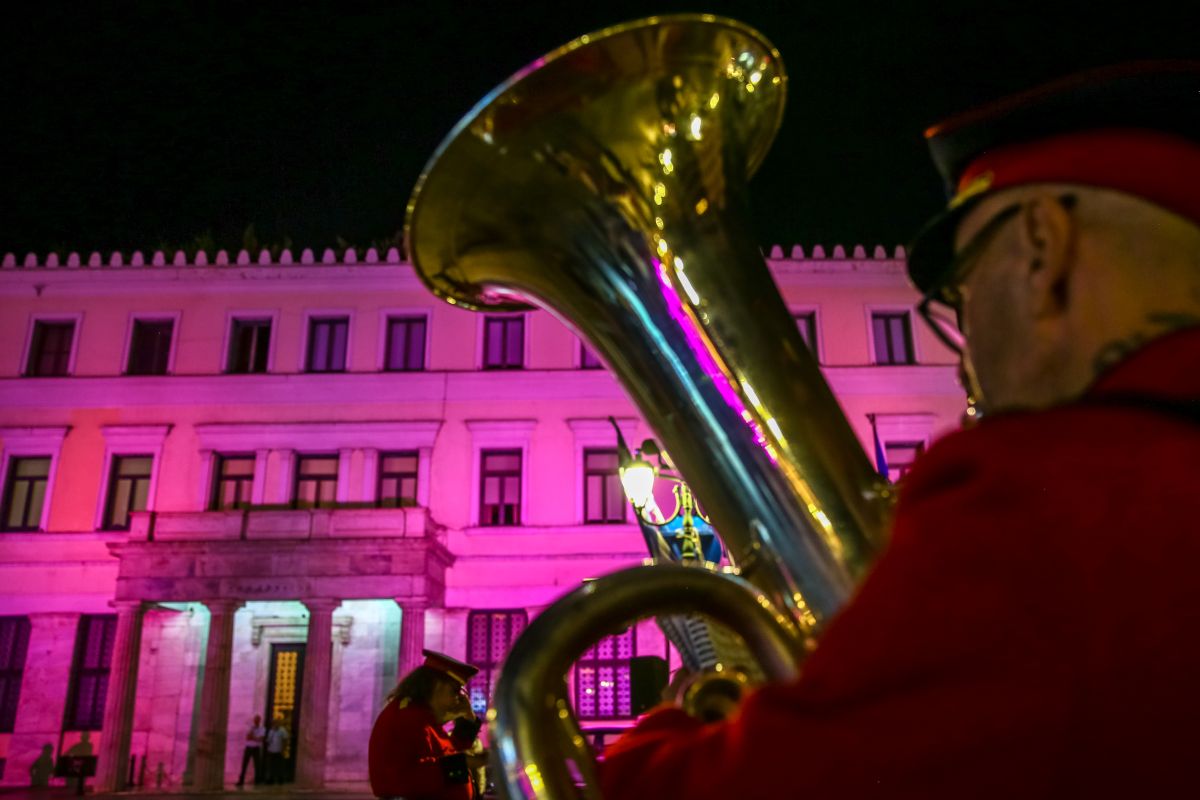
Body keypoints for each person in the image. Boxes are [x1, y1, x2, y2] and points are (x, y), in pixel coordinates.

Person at [599, 61, 1200, 799]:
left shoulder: (1038, 500)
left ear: (1044, 249)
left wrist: (666, 730)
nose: (966, 344)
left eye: (965, 285)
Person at [368, 649, 488, 800]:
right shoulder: (407, 717)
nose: (460, 697)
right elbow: (415, 776)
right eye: (456, 690)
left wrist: (468, 717)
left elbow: (451, 748)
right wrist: (464, 763)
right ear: (435, 685)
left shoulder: (423, 716)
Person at [235, 713, 265, 787]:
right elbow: (248, 737)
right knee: (244, 764)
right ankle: (241, 780)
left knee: (257, 765)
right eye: (255, 720)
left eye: (258, 720)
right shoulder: (250, 727)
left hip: (256, 748)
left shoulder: (262, 728)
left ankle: (257, 780)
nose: (256, 721)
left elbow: (260, 739)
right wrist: (255, 736)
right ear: (254, 720)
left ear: (260, 720)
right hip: (248, 747)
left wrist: (253, 737)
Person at [262, 716, 288, 785]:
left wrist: (283, 749)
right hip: (271, 750)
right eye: (274, 723)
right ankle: (271, 779)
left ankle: (280, 779)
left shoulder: (282, 730)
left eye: (276, 723)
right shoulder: (271, 731)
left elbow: (285, 740)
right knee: (271, 765)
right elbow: (268, 740)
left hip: (279, 751)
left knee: (279, 765)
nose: (275, 724)